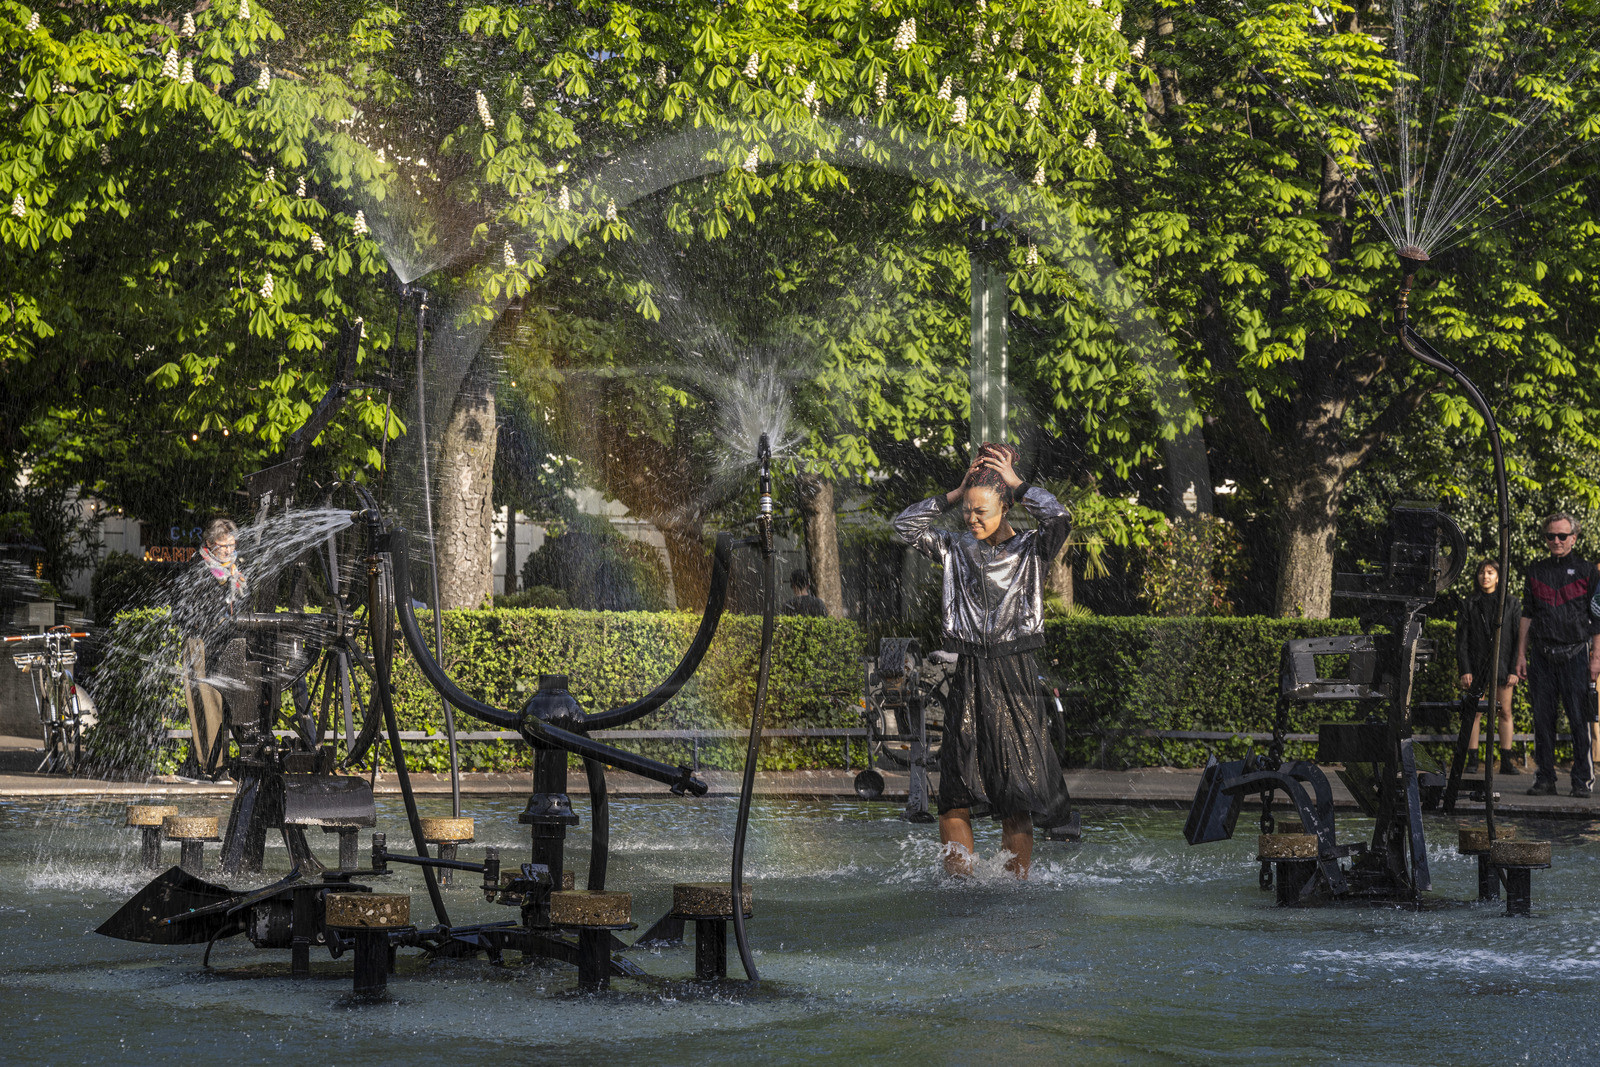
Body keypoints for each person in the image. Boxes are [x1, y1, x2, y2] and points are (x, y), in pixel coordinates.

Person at [893, 443, 1075, 879]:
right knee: (954, 794)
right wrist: (955, 493)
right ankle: (960, 889)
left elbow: (1060, 517)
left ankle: (1015, 889)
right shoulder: (954, 548)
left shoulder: (1032, 549)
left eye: (982, 511)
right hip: (969, 674)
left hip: (1014, 677)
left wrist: (1015, 482)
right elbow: (903, 525)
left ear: (1007, 506)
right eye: (967, 512)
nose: (971, 519)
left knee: (1017, 795)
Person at [1513, 512, 1600, 798]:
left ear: (1574, 538)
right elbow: (1527, 614)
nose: (1556, 541)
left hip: (1576, 653)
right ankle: (1545, 778)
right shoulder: (1536, 570)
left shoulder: (1589, 570)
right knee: (1542, 720)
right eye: (1551, 535)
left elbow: (1598, 618)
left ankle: (1582, 781)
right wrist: (1521, 655)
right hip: (1542, 655)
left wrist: (1596, 656)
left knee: (1579, 720)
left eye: (1562, 536)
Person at [178, 517, 248, 782]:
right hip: (203, 642)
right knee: (208, 702)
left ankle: (236, 760)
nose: (229, 551)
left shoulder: (236, 568)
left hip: (231, 640)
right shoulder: (197, 568)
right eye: (223, 546)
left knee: (238, 701)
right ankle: (212, 765)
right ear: (209, 544)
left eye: (232, 545)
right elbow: (186, 608)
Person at [1455, 559, 1521, 774]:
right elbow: (1462, 640)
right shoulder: (1470, 603)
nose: (1486, 576)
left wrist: (1513, 669)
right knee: (1474, 713)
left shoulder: (1511, 603)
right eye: (1482, 572)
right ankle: (1472, 760)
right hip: (1476, 667)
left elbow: (1517, 639)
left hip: (1503, 666)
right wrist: (1465, 669)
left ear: (1498, 576)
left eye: (1491, 572)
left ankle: (1506, 761)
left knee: (1505, 712)